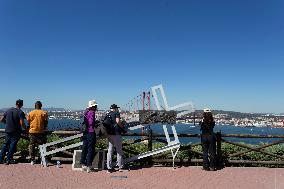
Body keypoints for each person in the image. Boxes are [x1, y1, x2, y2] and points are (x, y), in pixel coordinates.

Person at [0, 99, 27, 164]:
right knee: (12, 145)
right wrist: (25, 129)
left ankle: (0, 159)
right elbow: (22, 123)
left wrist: (7, 123)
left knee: (5, 144)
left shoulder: (8, 110)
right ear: (22, 105)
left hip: (8, 130)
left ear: (16, 104)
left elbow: (1, 120)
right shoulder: (20, 112)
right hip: (16, 131)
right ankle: (9, 159)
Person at [104, 104, 126, 173]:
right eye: (117, 108)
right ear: (115, 108)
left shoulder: (108, 114)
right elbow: (117, 121)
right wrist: (122, 127)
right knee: (119, 150)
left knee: (110, 150)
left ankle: (109, 168)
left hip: (109, 134)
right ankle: (120, 167)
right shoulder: (116, 113)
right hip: (116, 134)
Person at [27, 101, 48, 165]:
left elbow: (28, 122)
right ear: (41, 106)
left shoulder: (30, 113)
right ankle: (42, 159)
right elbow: (46, 122)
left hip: (32, 132)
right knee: (42, 146)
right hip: (41, 132)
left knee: (32, 146)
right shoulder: (44, 113)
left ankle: (32, 160)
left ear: (35, 106)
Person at [80, 100, 98, 173]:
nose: (96, 107)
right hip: (90, 132)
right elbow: (91, 123)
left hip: (85, 132)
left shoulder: (86, 112)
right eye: (95, 106)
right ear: (93, 106)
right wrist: (95, 123)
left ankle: (83, 165)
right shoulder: (92, 112)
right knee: (91, 149)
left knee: (84, 148)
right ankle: (89, 166)